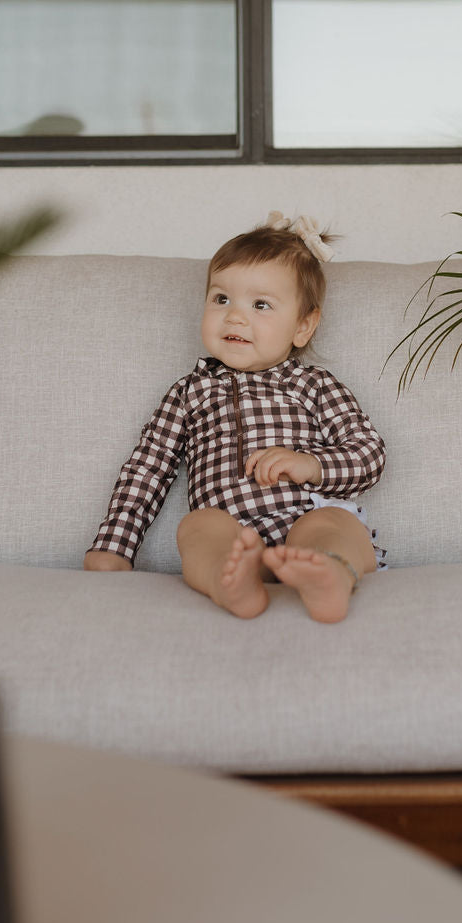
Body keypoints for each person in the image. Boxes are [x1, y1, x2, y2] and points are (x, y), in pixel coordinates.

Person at [84, 213, 386, 624]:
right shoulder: (189, 393)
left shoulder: (313, 385)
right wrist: (113, 547)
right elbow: (146, 471)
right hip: (232, 529)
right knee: (197, 527)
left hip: (306, 512)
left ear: (303, 326)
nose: (235, 317)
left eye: (261, 305)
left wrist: (311, 464)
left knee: (331, 525)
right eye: (221, 299)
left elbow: (369, 453)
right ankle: (230, 580)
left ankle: (329, 572)